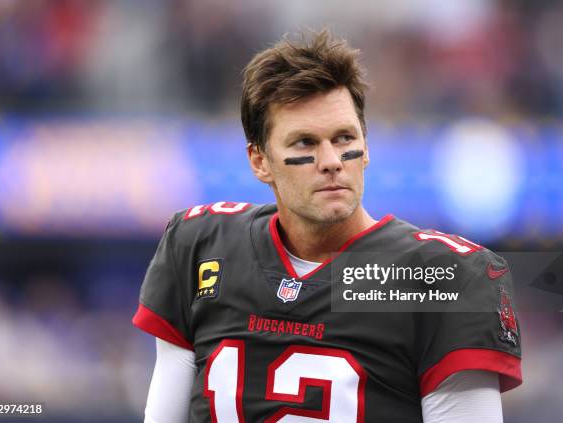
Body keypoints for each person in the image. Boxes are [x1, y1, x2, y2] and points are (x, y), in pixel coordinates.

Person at [132, 30, 522, 422]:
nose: (332, 160)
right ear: (259, 160)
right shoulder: (201, 244)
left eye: (344, 138)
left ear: (366, 147)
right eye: (305, 143)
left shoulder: (441, 275)